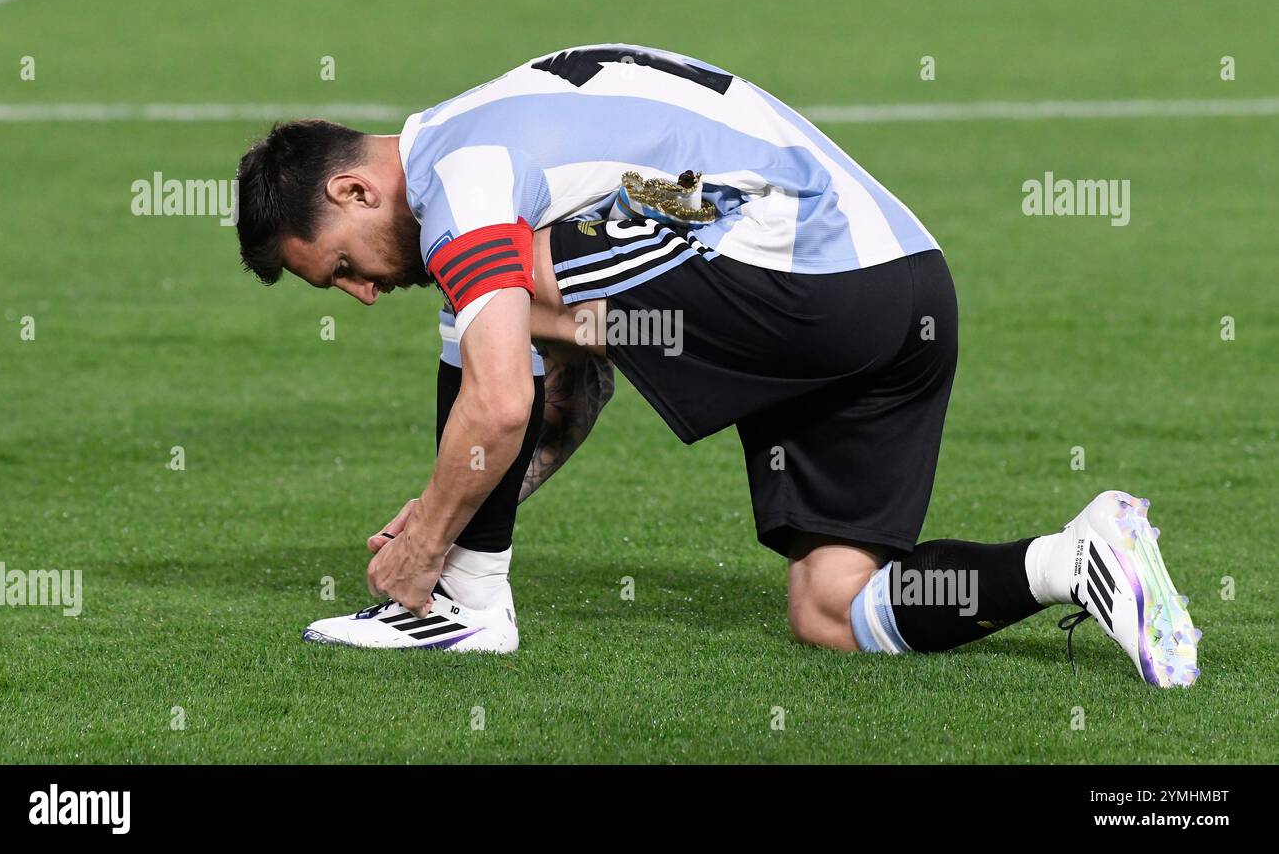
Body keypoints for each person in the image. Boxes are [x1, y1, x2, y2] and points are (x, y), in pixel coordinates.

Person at [232, 44, 1199, 686]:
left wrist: (431, 541)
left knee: (478, 298)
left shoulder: (463, 174)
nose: (362, 294)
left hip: (806, 277)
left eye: (344, 270)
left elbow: (498, 392)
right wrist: (470, 490)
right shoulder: (479, 129)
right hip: (901, 300)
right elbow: (565, 380)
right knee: (834, 610)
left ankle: (462, 606)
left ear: (354, 188)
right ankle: (1084, 558)